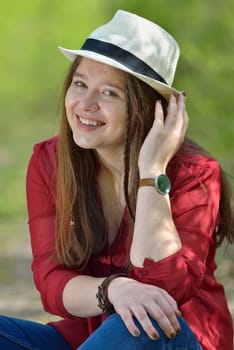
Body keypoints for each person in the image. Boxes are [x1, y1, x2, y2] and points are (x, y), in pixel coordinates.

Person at [0, 9, 233, 350]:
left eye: (110, 93)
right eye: (80, 84)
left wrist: (152, 171)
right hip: (92, 342)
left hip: (168, 339)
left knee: (141, 320)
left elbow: (163, 292)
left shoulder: (194, 175)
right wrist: (114, 288)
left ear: (148, 109)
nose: (86, 104)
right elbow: (52, 282)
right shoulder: (50, 162)